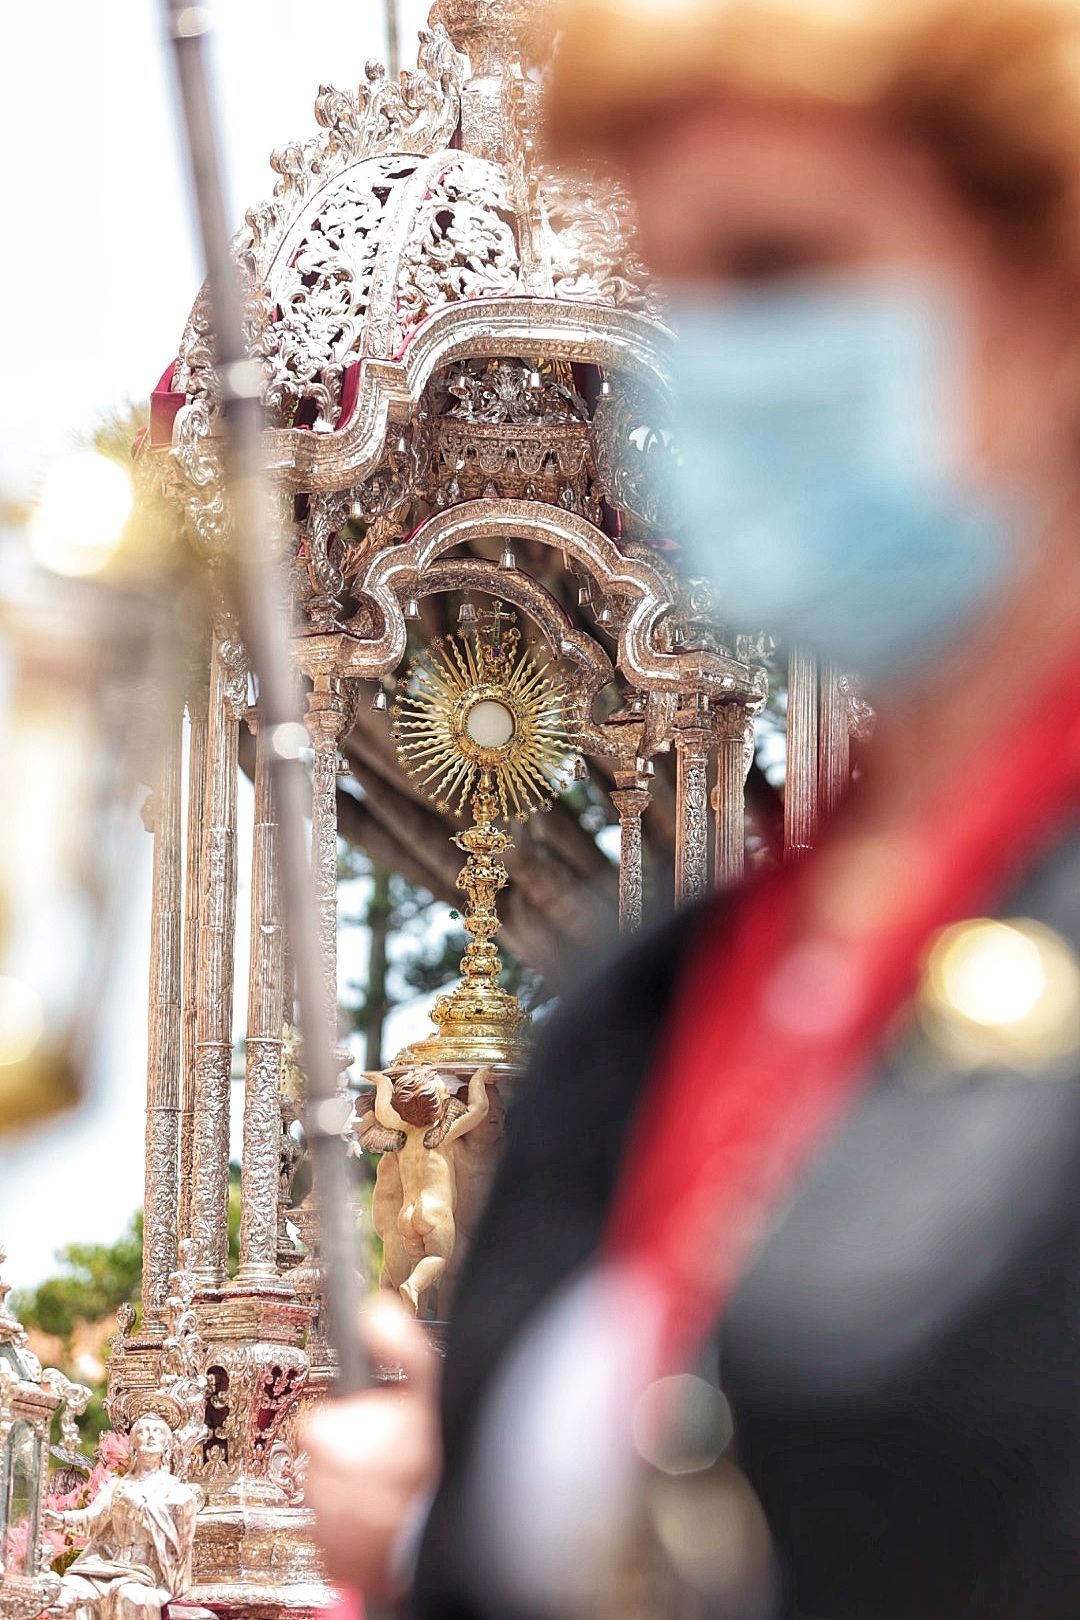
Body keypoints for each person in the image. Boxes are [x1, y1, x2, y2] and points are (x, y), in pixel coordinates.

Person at [303, 1, 1080, 1614]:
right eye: (683, 288)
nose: (716, 376)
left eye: (785, 270)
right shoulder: (636, 1014)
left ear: (1048, 298)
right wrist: (467, 1518)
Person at [48, 1413, 203, 1620]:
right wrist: (62, 1520)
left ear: (167, 1444)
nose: (150, 1436)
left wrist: (140, 1506)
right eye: (143, 1431)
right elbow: (94, 1519)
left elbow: (177, 1540)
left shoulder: (174, 1490)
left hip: (142, 1572)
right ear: (133, 1442)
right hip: (103, 1565)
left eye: (157, 1432)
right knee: (67, 1594)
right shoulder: (117, 1485)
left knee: (130, 1598)